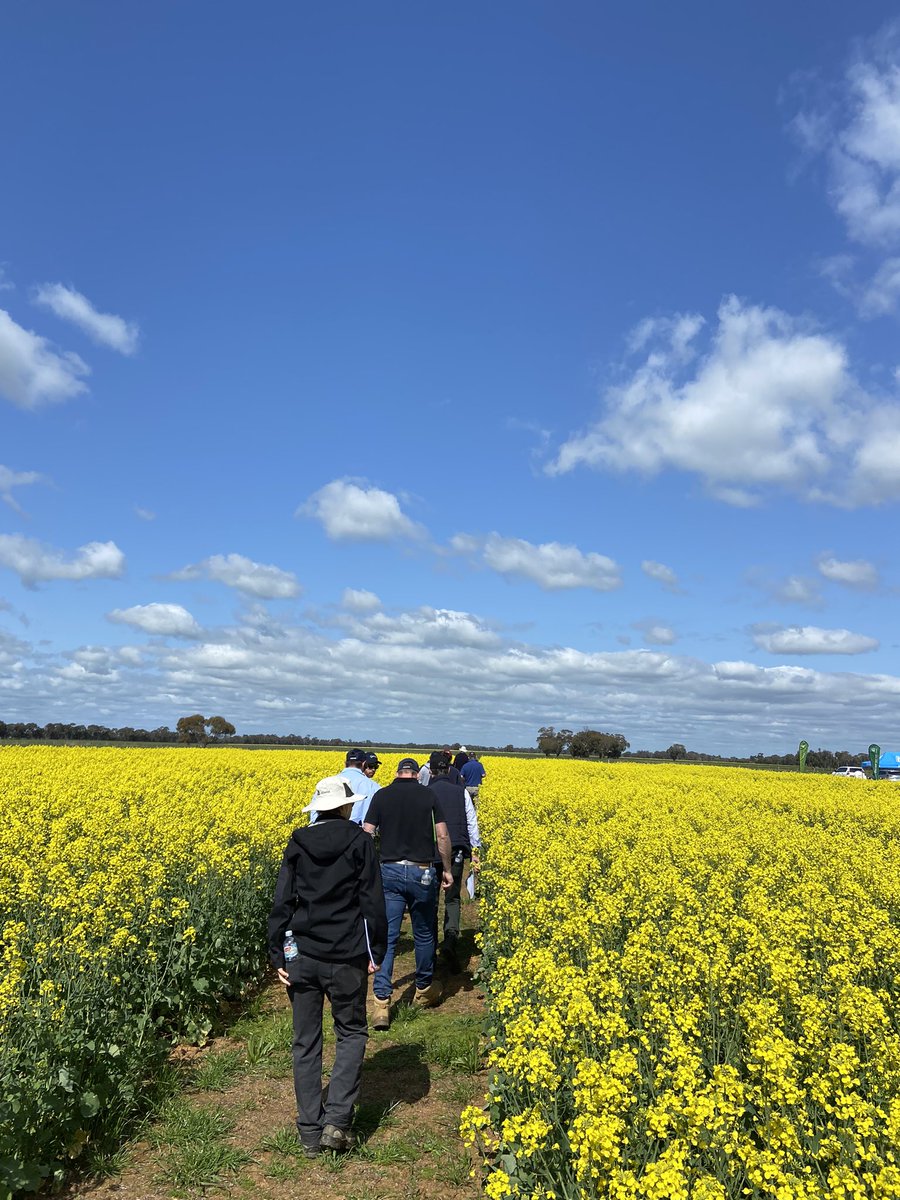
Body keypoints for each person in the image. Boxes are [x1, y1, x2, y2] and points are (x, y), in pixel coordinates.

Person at [268, 775, 387, 1157]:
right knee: (351, 1033)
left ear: (317, 807)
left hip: (301, 956)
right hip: (347, 954)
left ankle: (308, 1131)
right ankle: (336, 1121)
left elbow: (283, 901)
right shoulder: (360, 842)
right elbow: (372, 900)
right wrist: (377, 951)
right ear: (346, 806)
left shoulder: (297, 842)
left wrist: (276, 952)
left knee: (306, 1041)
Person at [363, 758, 453, 1029]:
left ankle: (381, 1004)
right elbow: (443, 836)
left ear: (397, 773)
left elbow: (367, 832)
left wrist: (369, 867)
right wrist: (446, 869)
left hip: (389, 870)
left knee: (387, 936)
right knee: (424, 932)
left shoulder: (381, 795)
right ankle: (424, 990)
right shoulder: (429, 795)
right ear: (417, 775)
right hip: (422, 872)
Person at [427, 752, 480, 971]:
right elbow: (471, 821)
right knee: (452, 897)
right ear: (449, 769)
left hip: (430, 852)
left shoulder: (425, 792)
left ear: (430, 770)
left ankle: (428, 945)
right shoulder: (461, 793)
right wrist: (475, 850)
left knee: (429, 898)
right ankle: (450, 939)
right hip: (457, 849)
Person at [311, 748, 380, 826]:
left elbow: (314, 815)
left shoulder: (327, 783)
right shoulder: (373, 786)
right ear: (364, 764)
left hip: (322, 833)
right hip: (358, 835)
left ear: (345, 763)